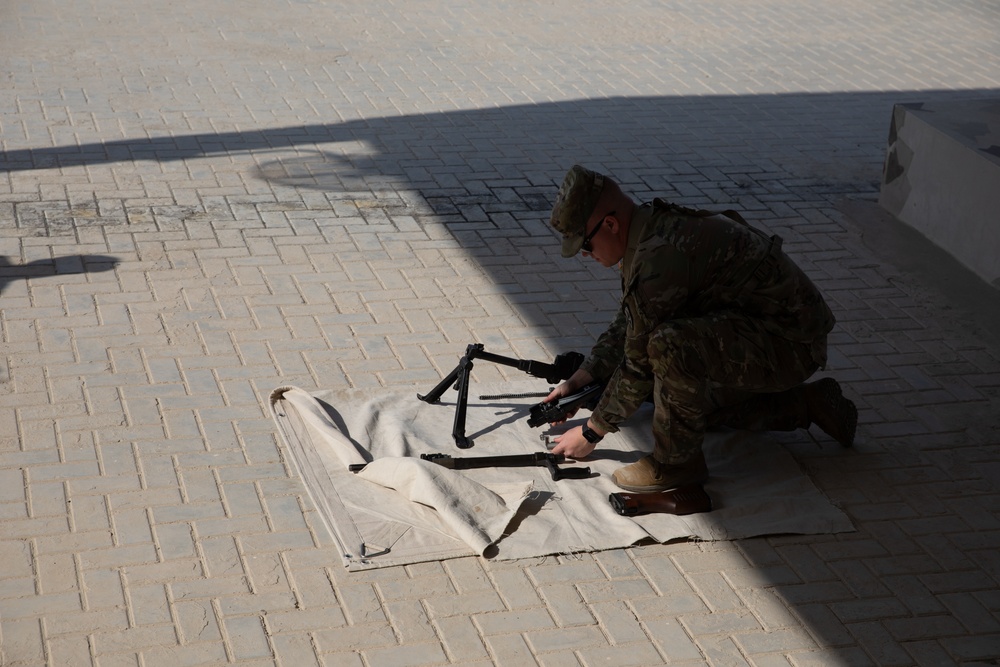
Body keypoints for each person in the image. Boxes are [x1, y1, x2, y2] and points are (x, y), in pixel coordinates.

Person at [544, 165, 858, 493]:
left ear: (610, 224)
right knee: (680, 409)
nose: (583, 254)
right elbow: (632, 320)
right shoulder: (649, 228)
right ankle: (808, 404)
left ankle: (677, 464)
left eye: (586, 245)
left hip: (789, 343)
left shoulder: (660, 256)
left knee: (669, 347)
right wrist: (584, 378)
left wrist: (591, 432)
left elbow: (637, 365)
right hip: (765, 331)